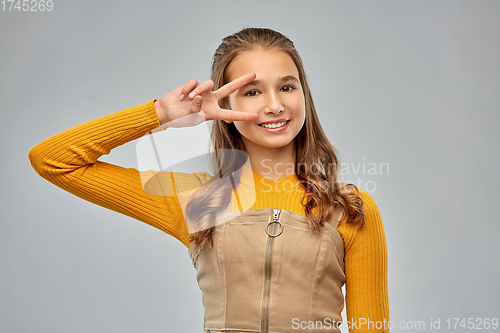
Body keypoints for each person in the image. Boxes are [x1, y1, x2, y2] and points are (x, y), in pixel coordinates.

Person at [29, 28, 389, 332]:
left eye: (287, 87)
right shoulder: (196, 199)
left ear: (303, 95)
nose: (274, 105)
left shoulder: (348, 209)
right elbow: (53, 160)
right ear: (225, 106)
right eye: (252, 92)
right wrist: (159, 114)